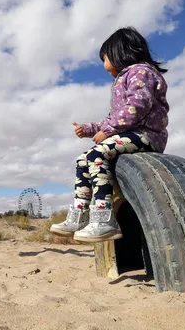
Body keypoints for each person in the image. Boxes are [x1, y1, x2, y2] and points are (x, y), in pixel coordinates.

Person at [50, 27, 169, 242]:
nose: (104, 65)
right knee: (83, 159)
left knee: (97, 155)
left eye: (104, 58)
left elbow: (136, 107)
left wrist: (108, 131)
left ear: (120, 53)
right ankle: (79, 215)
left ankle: (104, 218)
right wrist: (88, 129)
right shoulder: (126, 77)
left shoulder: (141, 73)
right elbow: (114, 117)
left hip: (146, 134)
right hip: (128, 134)